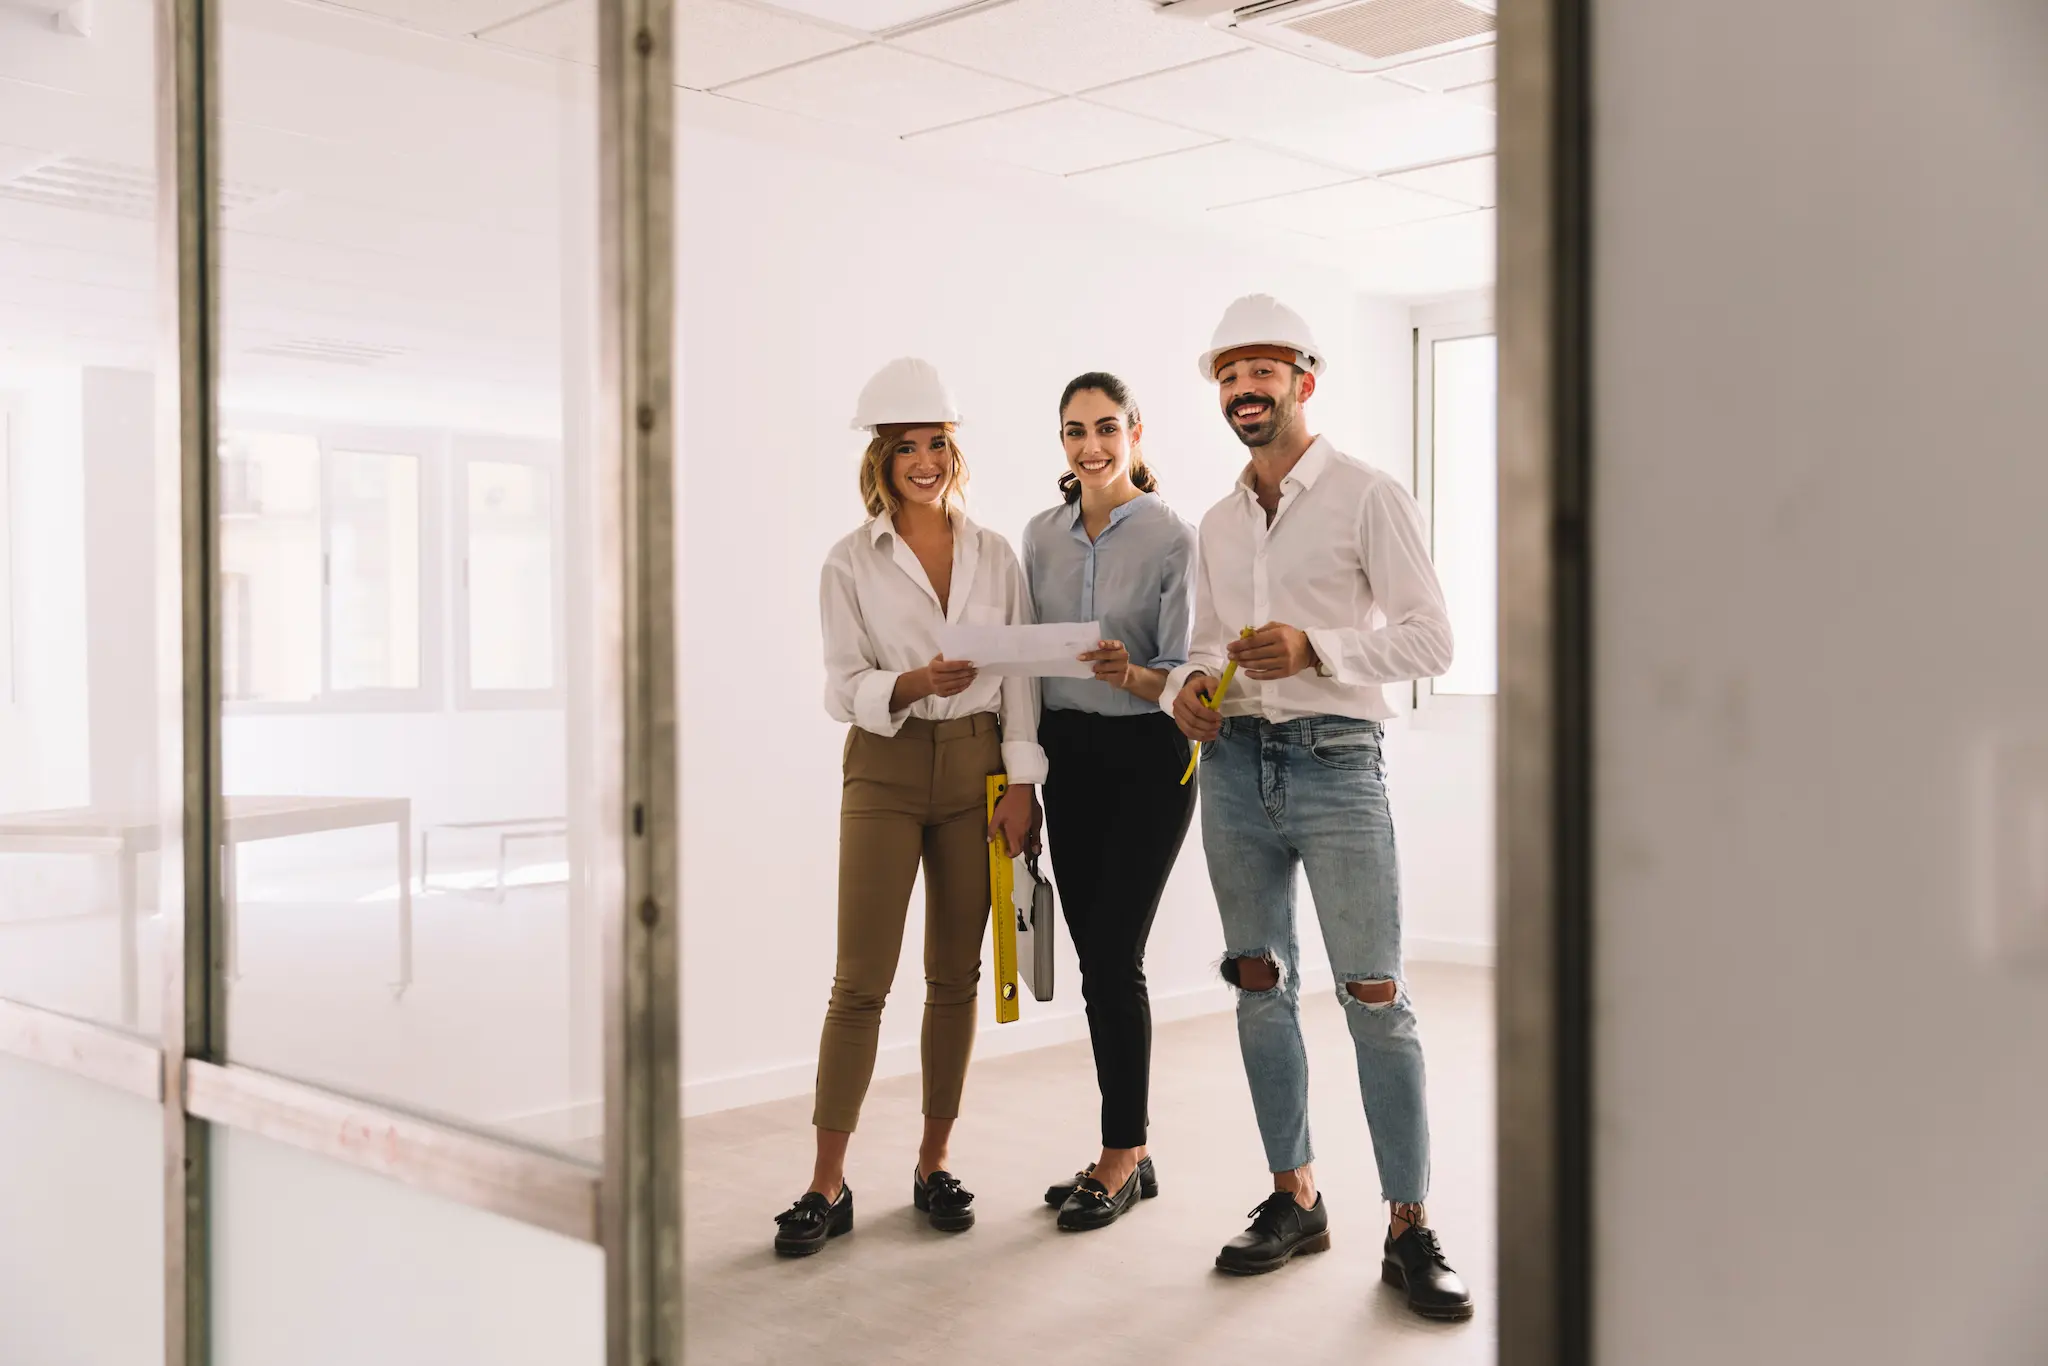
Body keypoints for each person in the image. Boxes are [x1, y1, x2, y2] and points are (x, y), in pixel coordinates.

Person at [1165, 296, 1474, 1320]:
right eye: (1227, 375)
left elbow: (1432, 641)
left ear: (1304, 378)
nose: (1243, 389)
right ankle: (1293, 1197)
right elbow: (1205, 641)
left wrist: (1317, 648)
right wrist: (1196, 689)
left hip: (1339, 761)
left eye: (1261, 371)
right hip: (1234, 770)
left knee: (1373, 1000)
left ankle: (1409, 1225)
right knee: (1257, 983)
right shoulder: (1213, 521)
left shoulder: (1366, 496)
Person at [774, 357, 1042, 1258]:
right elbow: (838, 686)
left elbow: (1018, 681)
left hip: (975, 771)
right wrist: (912, 681)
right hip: (884, 767)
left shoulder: (995, 553)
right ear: (880, 458)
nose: (923, 462)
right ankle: (826, 1183)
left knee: (954, 976)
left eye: (937, 444)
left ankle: (934, 1164)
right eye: (905, 448)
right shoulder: (849, 561)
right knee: (860, 983)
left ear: (952, 450)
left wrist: (1024, 783)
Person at [1020, 372, 1198, 1233]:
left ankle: (1121, 1154)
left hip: (1148, 756)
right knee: (1094, 958)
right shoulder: (1040, 537)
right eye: (1073, 431)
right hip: (1070, 758)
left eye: (1105, 428)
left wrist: (1130, 671)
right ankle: (1128, 1149)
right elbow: (1025, 660)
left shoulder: (1172, 535)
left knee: (1113, 956)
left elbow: (1189, 668)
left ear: (1135, 431)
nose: (1090, 446)